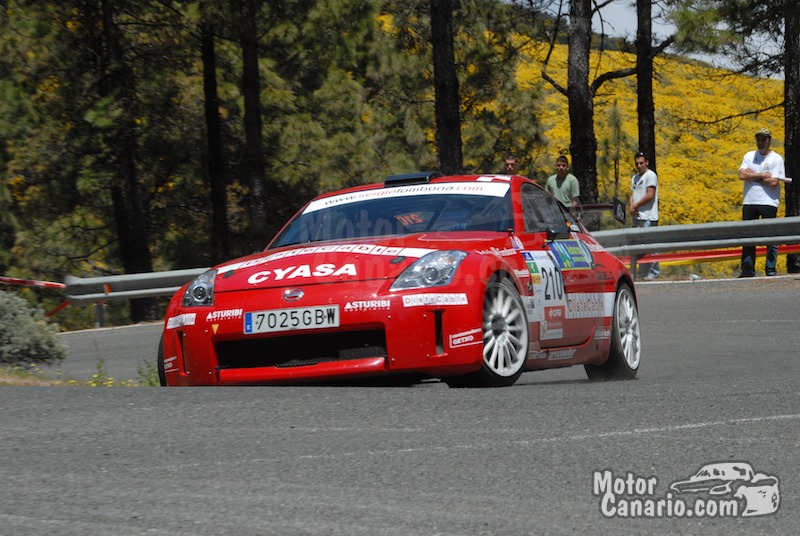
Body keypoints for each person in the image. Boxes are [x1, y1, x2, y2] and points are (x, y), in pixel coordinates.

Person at [738, 127, 784, 277]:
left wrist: (753, 176)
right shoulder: (749, 156)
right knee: (748, 237)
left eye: (763, 139)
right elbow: (742, 175)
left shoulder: (776, 159)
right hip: (750, 202)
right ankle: (747, 270)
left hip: (768, 202)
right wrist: (763, 175)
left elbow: (774, 182)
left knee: (770, 238)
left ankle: (770, 269)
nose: (761, 142)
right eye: (758, 139)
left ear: (769, 141)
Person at [629, 151, 660, 280]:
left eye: (641, 163)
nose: (639, 166)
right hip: (638, 217)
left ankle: (653, 273)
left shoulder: (651, 175)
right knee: (640, 247)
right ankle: (643, 273)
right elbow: (632, 194)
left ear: (646, 162)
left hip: (648, 216)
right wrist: (632, 206)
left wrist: (635, 206)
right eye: (637, 163)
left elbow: (650, 195)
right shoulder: (635, 178)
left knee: (650, 246)